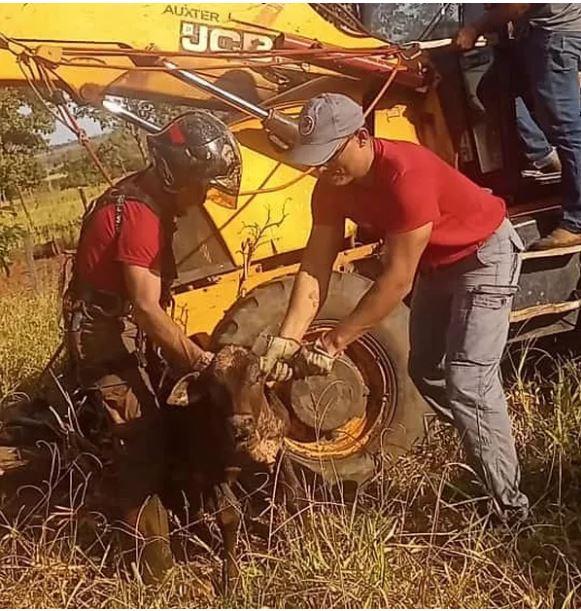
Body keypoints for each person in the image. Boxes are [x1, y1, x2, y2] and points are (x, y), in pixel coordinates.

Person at [260, 93, 529, 522]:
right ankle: (485, 436)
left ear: (361, 137)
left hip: (484, 255)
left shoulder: (406, 173)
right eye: (317, 158)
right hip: (439, 266)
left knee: (467, 381)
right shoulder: (330, 189)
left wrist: (334, 342)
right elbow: (314, 269)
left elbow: (397, 279)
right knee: (425, 369)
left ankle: (511, 510)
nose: (326, 167)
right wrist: (286, 339)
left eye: (333, 154)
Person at [63, 111, 241, 581]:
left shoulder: (152, 200)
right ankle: (152, 572)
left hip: (123, 322)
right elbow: (145, 308)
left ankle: (184, 521)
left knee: (178, 416)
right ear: (174, 174)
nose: (205, 194)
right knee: (140, 435)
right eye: (200, 183)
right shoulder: (141, 216)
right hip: (103, 332)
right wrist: (205, 362)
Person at [455, 3, 581, 250]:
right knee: (493, 89)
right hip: (536, 33)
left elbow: (518, 4)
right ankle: (544, 157)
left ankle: (577, 222)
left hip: (555, 35)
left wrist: (474, 28)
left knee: (568, 128)